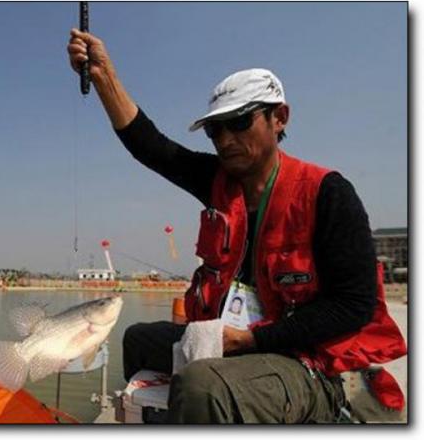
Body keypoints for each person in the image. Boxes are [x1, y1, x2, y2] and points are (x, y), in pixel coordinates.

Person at [67, 29, 406, 423]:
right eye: (215, 130)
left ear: (279, 118)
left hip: (307, 359)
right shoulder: (217, 180)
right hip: (233, 341)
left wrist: (251, 338)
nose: (226, 139)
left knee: (201, 383)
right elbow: (150, 145)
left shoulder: (327, 192)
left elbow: (354, 306)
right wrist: (104, 74)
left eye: (240, 122)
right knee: (138, 339)